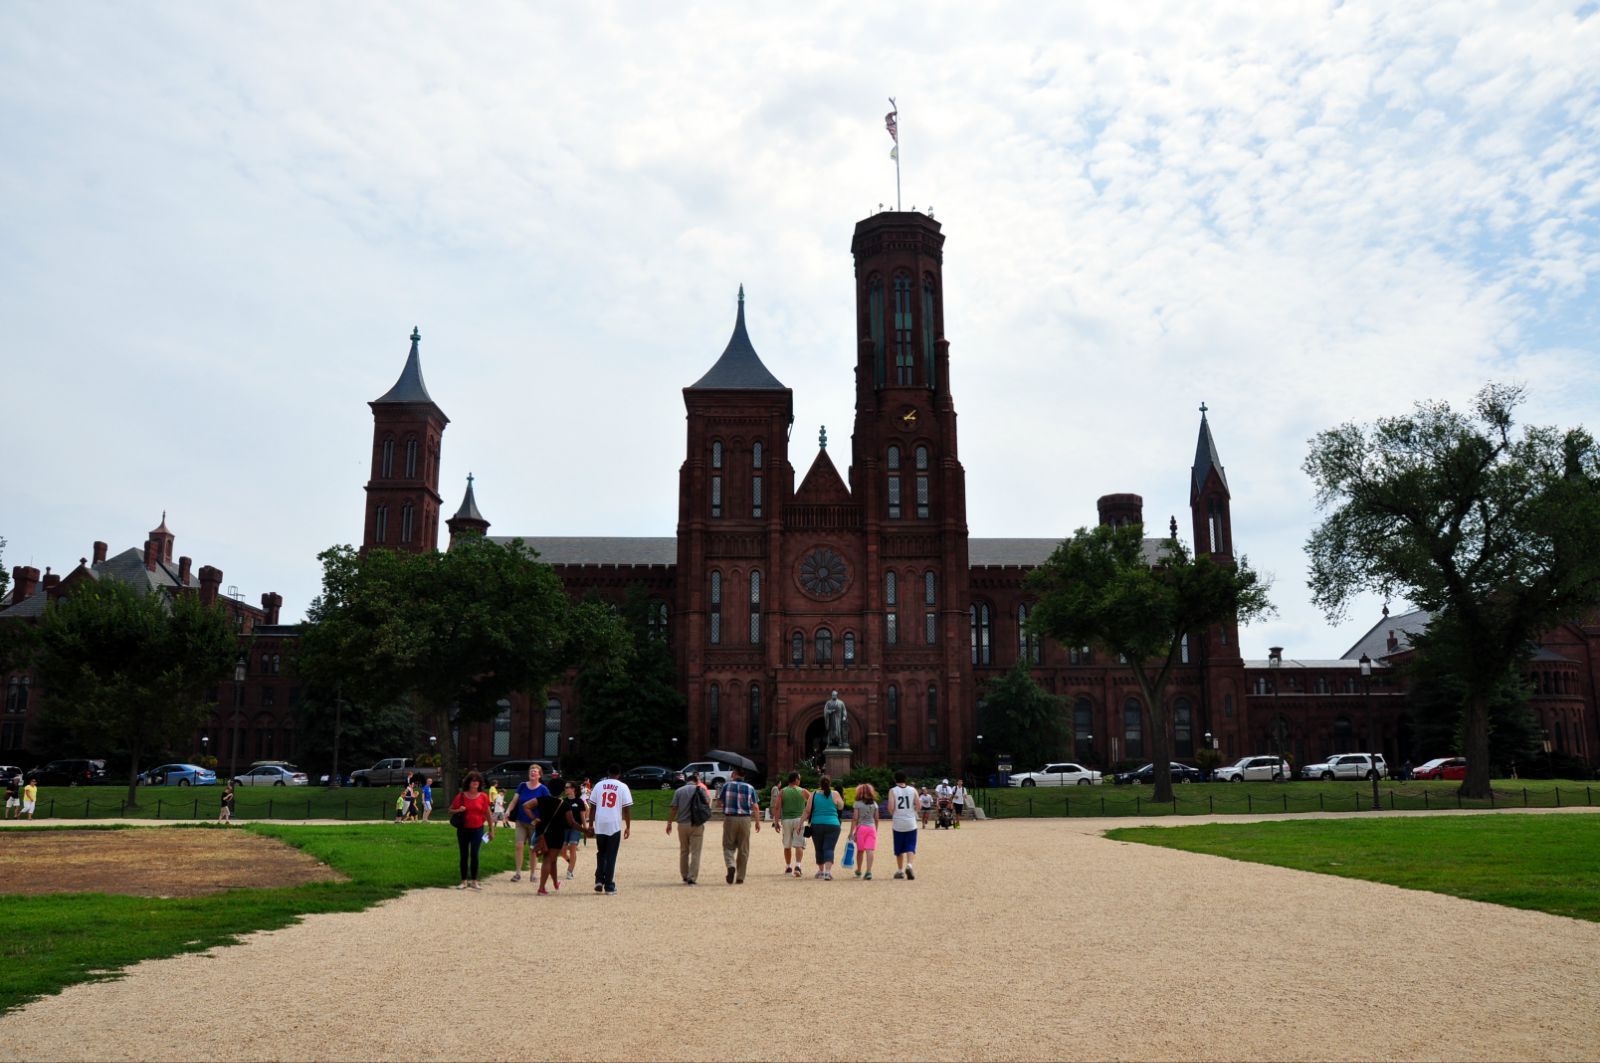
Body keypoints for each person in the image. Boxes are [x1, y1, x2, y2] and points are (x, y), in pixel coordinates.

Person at [587, 764, 632, 894]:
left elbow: (593, 807)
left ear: (608, 772)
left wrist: (590, 825)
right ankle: (609, 886)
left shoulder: (599, 785)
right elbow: (626, 809)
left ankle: (599, 880)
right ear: (619, 774)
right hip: (614, 824)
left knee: (601, 852)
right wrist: (628, 827)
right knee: (611, 855)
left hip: (600, 823)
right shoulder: (623, 787)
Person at [449, 770, 494, 889]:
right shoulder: (461, 796)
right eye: (473, 780)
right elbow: (450, 810)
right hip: (463, 829)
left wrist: (491, 830)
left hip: (477, 829)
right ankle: (463, 881)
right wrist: (459, 810)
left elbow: (488, 814)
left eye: (477, 781)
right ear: (468, 782)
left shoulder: (483, 796)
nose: (475, 783)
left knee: (475, 854)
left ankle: (474, 881)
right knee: (464, 855)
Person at [717, 766, 761, 885]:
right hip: (745, 819)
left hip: (730, 818)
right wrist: (757, 821)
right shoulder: (750, 787)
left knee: (728, 845)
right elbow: (756, 806)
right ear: (744, 776)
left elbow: (719, 802)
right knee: (744, 848)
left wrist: (724, 804)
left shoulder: (727, 786)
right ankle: (740, 876)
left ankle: (731, 865)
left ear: (735, 774)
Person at [536, 782, 581, 895]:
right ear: (561, 790)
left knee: (552, 860)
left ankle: (555, 882)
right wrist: (585, 830)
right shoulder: (564, 804)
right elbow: (572, 822)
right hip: (557, 833)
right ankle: (541, 888)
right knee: (549, 859)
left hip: (544, 832)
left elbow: (526, 805)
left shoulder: (542, 799)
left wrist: (534, 819)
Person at [666, 771, 710, 885]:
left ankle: (684, 875)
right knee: (696, 852)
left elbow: (674, 808)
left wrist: (669, 823)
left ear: (687, 781)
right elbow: (707, 803)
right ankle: (692, 877)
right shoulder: (700, 790)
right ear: (696, 781)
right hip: (696, 823)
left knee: (684, 850)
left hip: (682, 824)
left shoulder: (679, 791)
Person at [508, 764, 550, 883]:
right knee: (519, 845)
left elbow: (548, 805)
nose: (532, 772)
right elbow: (514, 801)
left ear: (539, 775)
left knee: (533, 849)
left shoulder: (543, 789)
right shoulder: (522, 786)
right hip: (521, 821)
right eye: (531, 770)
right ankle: (517, 873)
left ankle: (533, 874)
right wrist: (507, 811)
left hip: (535, 823)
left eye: (535, 771)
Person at [803, 775, 844, 879]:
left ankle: (821, 871)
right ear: (830, 784)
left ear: (819, 784)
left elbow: (807, 811)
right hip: (833, 825)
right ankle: (828, 872)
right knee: (829, 848)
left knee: (819, 848)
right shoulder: (835, 794)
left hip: (817, 824)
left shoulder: (814, 794)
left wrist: (800, 824)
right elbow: (841, 806)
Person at [888, 771, 919, 880]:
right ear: (905, 779)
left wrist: (895, 815)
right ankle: (909, 865)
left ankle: (900, 870)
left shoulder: (892, 791)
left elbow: (891, 807)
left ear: (895, 780)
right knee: (911, 845)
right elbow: (918, 805)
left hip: (898, 822)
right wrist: (912, 813)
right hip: (911, 821)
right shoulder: (912, 790)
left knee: (899, 847)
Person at [777, 772, 809, 878]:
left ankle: (788, 866)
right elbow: (812, 804)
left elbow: (777, 807)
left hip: (786, 820)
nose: (800, 781)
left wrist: (776, 821)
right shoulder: (803, 791)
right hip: (799, 820)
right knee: (799, 844)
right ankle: (798, 866)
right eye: (799, 779)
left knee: (787, 845)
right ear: (796, 780)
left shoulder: (782, 792)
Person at [849, 782, 879, 880]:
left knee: (860, 850)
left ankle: (859, 870)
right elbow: (877, 818)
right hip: (871, 828)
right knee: (870, 850)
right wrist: (876, 829)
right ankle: (869, 872)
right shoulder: (875, 804)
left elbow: (855, 818)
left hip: (861, 828)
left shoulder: (857, 803)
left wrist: (851, 832)